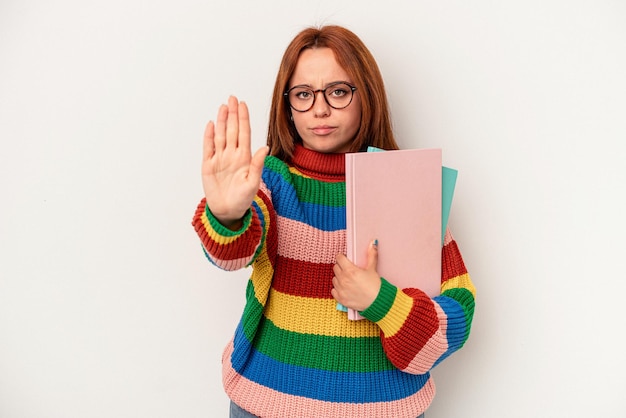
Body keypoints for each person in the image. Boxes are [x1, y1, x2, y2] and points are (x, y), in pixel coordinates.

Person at [192, 25, 476, 418]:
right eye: (304, 95)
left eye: (338, 92)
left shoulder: (407, 185)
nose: (320, 109)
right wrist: (226, 214)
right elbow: (233, 253)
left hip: (382, 408)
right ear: (287, 105)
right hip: (266, 403)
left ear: (366, 96)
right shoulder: (271, 182)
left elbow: (458, 313)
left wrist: (382, 302)